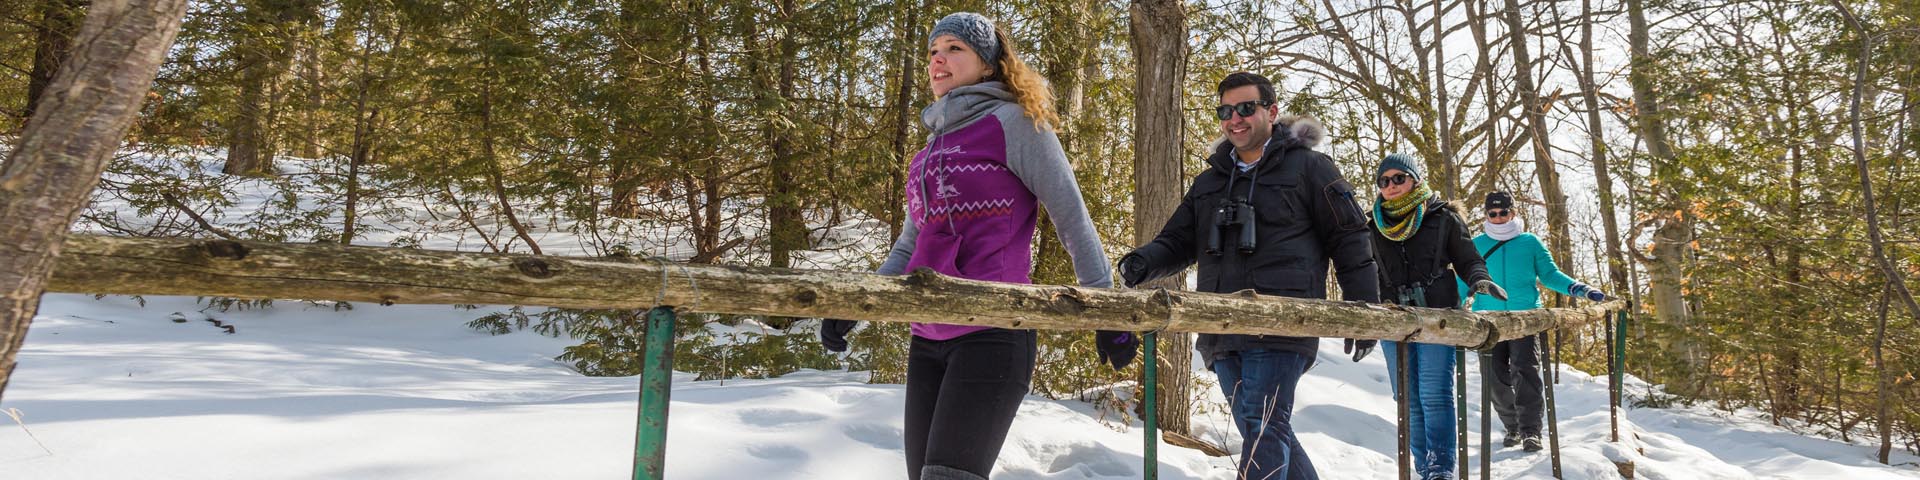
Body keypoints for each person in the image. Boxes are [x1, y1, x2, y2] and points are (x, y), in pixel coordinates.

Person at [815, 12, 1129, 480]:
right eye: (933, 51)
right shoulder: (930, 147)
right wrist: (861, 303)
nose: (938, 59)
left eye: (954, 48)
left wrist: (1106, 309)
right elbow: (910, 244)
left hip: (994, 331)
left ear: (987, 63)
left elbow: (1070, 216)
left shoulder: (1016, 123)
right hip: (927, 338)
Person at [1116, 71, 1378, 480]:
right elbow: (1178, 240)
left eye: (1245, 108)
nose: (1234, 119)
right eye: (1225, 111)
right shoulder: (1210, 181)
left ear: (1271, 112)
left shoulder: (1311, 168)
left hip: (1283, 324)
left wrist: (1364, 312)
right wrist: (1142, 263)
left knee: (1262, 425)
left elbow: (1349, 238)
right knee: (1264, 428)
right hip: (1220, 328)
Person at [1367, 153, 1507, 480]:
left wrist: (1479, 280)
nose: (1391, 186)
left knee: (1433, 393)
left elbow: (1468, 258)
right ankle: (1423, 467)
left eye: (1398, 178)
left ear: (1415, 178)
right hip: (1392, 318)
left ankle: (1441, 469)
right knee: (1407, 398)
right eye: (1384, 181)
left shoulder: (1442, 217)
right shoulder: (1371, 223)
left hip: (1438, 317)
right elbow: (1363, 271)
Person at [1462, 191, 1608, 452]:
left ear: (1513, 212)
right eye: (1492, 214)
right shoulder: (1476, 244)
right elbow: (1465, 280)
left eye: (1503, 213)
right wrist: (1452, 304)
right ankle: (1512, 426)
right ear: (1485, 215)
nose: (1498, 218)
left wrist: (1579, 288)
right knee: (1494, 377)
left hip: (1525, 318)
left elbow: (1550, 275)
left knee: (1525, 372)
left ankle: (1531, 431)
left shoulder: (1530, 242)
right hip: (1489, 320)